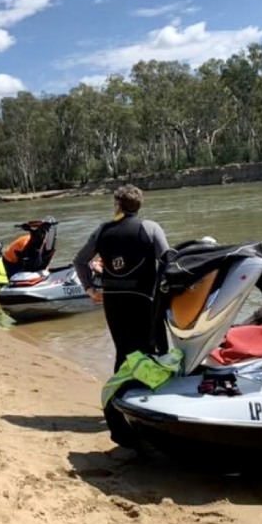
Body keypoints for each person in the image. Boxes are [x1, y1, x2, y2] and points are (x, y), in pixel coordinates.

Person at [74, 186, 169, 447]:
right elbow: (168, 261)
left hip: (114, 301)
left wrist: (91, 290)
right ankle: (148, 409)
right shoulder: (151, 228)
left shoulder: (102, 230)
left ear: (117, 204)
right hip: (145, 300)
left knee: (124, 353)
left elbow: (79, 260)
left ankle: (118, 409)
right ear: (139, 204)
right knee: (150, 353)